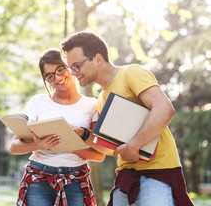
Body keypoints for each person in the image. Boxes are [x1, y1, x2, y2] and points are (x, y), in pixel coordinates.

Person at [60, 29, 194, 206]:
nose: (73, 72)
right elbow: (113, 148)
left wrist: (134, 145)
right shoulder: (101, 100)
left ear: (98, 59)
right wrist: (83, 135)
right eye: (71, 68)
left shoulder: (131, 74)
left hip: (157, 172)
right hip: (126, 177)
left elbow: (164, 109)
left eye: (77, 65)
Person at [10, 48, 105, 206]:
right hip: (39, 176)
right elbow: (14, 147)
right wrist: (38, 145)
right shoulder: (37, 102)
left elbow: (99, 155)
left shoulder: (92, 105)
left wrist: (69, 143)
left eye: (60, 70)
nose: (58, 78)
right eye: (50, 76)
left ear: (70, 67)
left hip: (76, 178)